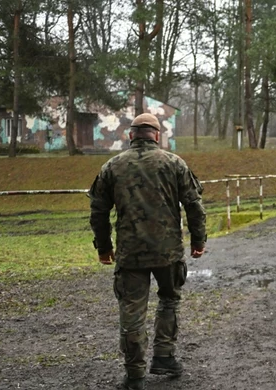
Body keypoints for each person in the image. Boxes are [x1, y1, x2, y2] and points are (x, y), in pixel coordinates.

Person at [89, 113, 207, 390]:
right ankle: (164, 356)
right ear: (157, 135)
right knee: (168, 301)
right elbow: (194, 205)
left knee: (132, 311)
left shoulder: (112, 166)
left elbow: (98, 211)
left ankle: (135, 376)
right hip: (168, 252)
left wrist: (104, 247)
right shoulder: (174, 163)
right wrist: (198, 241)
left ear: (131, 135)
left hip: (130, 255)